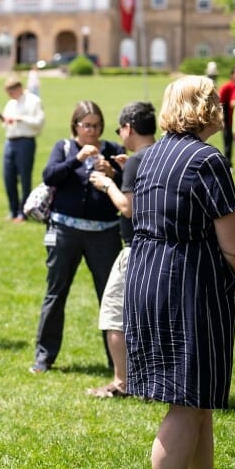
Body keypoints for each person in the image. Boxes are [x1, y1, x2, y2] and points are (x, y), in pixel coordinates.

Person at [125, 76, 235, 469]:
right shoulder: (207, 160)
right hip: (188, 286)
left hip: (148, 280)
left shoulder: (150, 157)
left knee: (196, 399)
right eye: (215, 99)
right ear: (206, 107)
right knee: (185, 403)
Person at [30, 101, 123, 374]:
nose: (92, 131)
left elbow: (129, 184)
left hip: (104, 233)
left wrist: (113, 172)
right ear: (75, 126)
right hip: (65, 231)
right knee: (56, 293)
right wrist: (78, 159)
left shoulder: (114, 151)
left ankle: (116, 361)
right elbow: (49, 176)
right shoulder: (65, 148)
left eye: (96, 126)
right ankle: (43, 357)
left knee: (111, 298)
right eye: (86, 125)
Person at [84, 101, 156, 399]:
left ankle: (122, 382)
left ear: (127, 128)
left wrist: (107, 184)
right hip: (159, 248)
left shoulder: (138, 161)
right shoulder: (161, 153)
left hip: (134, 249)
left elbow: (128, 208)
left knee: (114, 315)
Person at [1, 74, 45, 222]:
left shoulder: (34, 101)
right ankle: (12, 210)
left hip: (26, 141)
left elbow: (39, 122)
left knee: (24, 177)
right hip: (10, 140)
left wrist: (21, 119)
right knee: (8, 176)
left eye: (11, 92)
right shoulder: (10, 104)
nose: (10, 96)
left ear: (19, 88)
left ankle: (23, 212)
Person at [218, 66, 235, 164]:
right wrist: (222, 120)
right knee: (228, 144)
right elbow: (220, 104)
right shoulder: (226, 87)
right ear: (232, 75)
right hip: (228, 121)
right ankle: (228, 164)